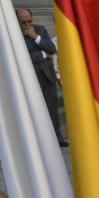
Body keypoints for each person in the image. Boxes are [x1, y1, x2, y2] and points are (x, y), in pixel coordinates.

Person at [16, 8, 66, 146]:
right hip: (30, 77)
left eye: (29, 21)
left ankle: (58, 138)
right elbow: (22, 56)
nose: (27, 25)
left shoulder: (40, 30)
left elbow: (51, 49)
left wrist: (35, 37)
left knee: (52, 107)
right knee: (36, 110)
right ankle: (42, 141)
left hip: (47, 74)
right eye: (23, 22)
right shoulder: (15, 34)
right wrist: (43, 55)